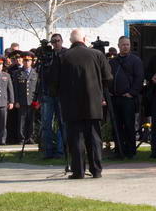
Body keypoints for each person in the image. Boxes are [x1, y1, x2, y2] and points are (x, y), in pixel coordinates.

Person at [59, 29, 112, 178]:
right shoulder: (97, 54)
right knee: (94, 138)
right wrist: (98, 91)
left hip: (71, 105)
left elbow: (54, 82)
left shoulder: (63, 56)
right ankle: (96, 170)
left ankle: (78, 171)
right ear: (84, 39)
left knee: (76, 139)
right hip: (93, 103)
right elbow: (108, 78)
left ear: (71, 41)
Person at [109, 36, 143, 158]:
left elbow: (139, 78)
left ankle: (131, 151)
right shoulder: (113, 61)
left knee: (129, 125)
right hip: (115, 98)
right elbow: (108, 77)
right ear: (118, 46)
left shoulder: (135, 60)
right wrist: (109, 91)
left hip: (128, 98)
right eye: (123, 44)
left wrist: (132, 93)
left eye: (127, 44)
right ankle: (119, 150)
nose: (125, 47)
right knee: (116, 126)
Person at [37, 33, 65, 159]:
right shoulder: (47, 55)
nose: (56, 43)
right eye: (53, 41)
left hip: (61, 94)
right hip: (47, 93)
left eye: (58, 41)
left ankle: (60, 151)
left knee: (62, 124)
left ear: (62, 41)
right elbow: (40, 71)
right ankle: (48, 151)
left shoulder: (67, 54)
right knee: (46, 124)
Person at [11, 53, 38, 145]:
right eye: (25, 60)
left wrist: (37, 101)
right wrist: (16, 101)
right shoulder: (18, 73)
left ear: (32, 61)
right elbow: (15, 88)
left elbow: (38, 88)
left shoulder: (36, 73)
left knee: (31, 120)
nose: (26, 62)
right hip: (21, 100)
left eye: (29, 60)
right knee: (21, 121)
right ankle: (22, 138)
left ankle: (30, 137)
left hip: (32, 100)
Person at [0, 58, 14, 148]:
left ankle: (2, 139)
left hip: (3, 103)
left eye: (0, 64)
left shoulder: (6, 75)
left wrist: (11, 101)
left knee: (3, 123)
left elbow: (10, 89)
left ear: (2, 66)